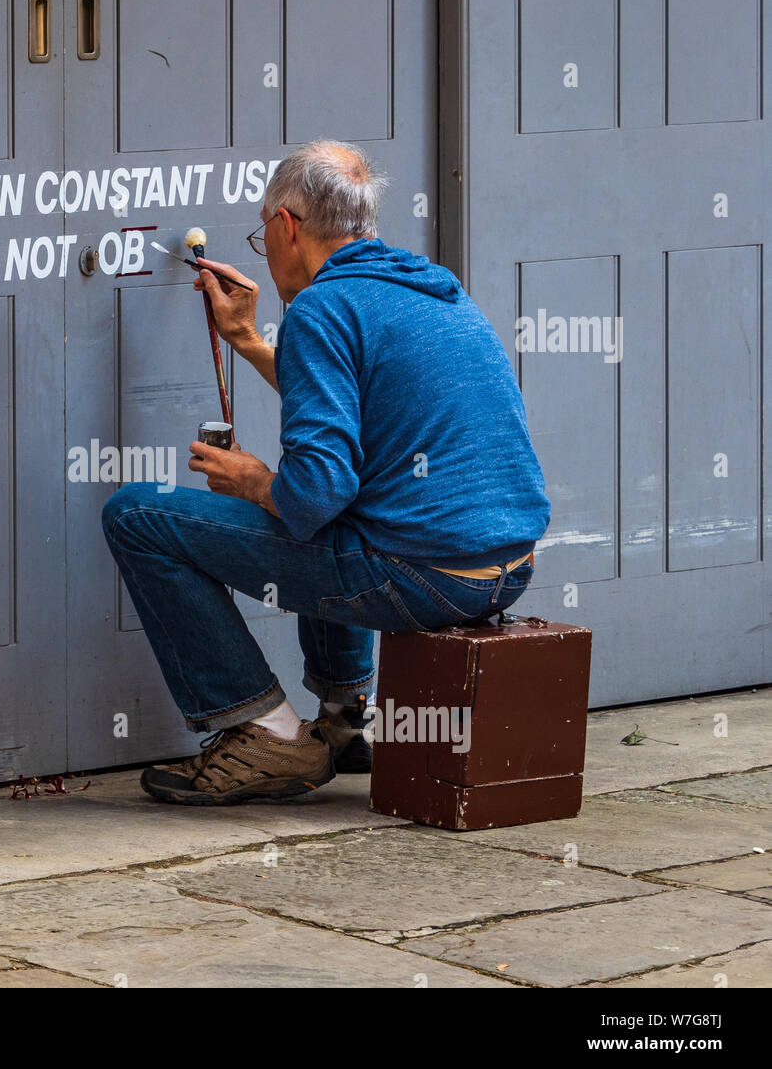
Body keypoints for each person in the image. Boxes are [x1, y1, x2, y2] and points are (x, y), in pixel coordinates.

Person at [101, 139, 551, 806]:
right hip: (503, 571)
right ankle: (346, 723)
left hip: (420, 578)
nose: (267, 247)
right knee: (353, 509)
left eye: (262, 232)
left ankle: (267, 735)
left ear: (286, 225)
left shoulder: (321, 308)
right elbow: (361, 414)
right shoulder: (432, 291)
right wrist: (251, 341)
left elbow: (314, 495)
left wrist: (255, 481)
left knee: (137, 515)